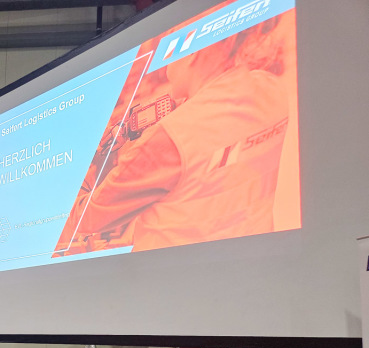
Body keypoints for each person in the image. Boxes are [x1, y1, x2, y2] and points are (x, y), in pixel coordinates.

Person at [54, 18, 292, 256]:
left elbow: (86, 220)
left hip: (172, 278)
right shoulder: (272, 90)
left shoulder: (169, 137)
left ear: (191, 54)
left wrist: (83, 166)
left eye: (166, 57)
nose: (165, 70)